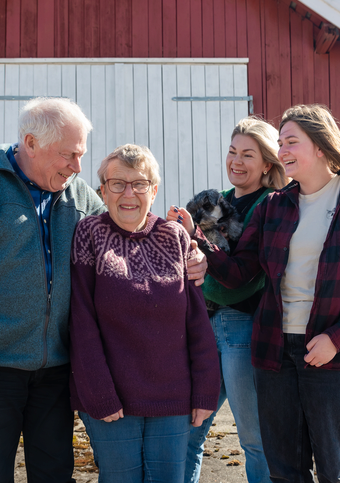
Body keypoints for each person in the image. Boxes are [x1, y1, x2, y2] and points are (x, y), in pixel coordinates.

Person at [0, 98, 208, 483]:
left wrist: (187, 247)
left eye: (81, 155)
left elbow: (128, 223)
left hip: (56, 367)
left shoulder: (78, 195)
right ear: (31, 143)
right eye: (69, 155)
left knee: (55, 473)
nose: (77, 167)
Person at [173, 104, 340, 483]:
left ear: (321, 147)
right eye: (281, 142)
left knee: (334, 472)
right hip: (274, 351)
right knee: (284, 472)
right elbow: (241, 270)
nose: (283, 150)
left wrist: (335, 339)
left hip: (333, 356)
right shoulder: (275, 205)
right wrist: (200, 244)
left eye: (291, 142)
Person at [69, 144, 221, 483]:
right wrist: (99, 393)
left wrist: (206, 389)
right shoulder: (89, 233)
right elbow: (81, 321)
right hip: (113, 400)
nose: (129, 193)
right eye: (118, 183)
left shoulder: (175, 237)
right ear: (103, 191)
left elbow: (196, 321)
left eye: (139, 183)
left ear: (154, 191)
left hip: (173, 396)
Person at [169, 117, 288, 483]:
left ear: (267, 163)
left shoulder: (270, 205)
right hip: (205, 326)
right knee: (188, 432)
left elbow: (241, 278)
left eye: (248, 154)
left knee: (254, 438)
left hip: (243, 327)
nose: (236, 160)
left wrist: (195, 239)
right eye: (233, 151)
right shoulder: (216, 201)